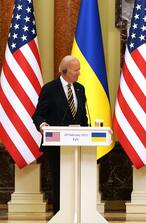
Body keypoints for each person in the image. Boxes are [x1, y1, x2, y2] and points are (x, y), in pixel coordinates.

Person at [32, 55, 88, 214]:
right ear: (64, 71)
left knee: (76, 180)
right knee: (59, 180)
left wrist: (88, 132)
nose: (79, 73)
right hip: (56, 144)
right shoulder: (49, 89)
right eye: (76, 70)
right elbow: (38, 115)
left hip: (78, 144)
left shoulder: (80, 88)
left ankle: (77, 212)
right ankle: (59, 214)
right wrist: (43, 126)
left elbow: (83, 117)